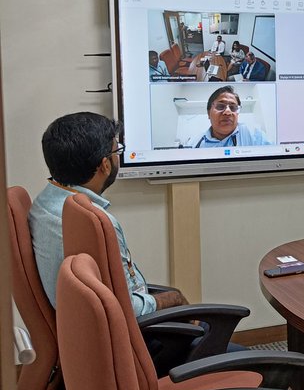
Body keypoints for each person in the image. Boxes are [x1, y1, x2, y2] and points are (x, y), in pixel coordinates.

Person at [28, 113, 188, 322]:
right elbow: (126, 308)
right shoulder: (94, 222)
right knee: (231, 348)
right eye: (117, 151)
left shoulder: (44, 203)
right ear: (104, 165)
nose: (118, 157)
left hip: (81, 331)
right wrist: (174, 299)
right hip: (140, 333)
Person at [193, 86, 272, 147]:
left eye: (233, 107)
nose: (228, 112)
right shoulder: (194, 143)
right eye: (220, 106)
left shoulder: (254, 135)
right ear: (208, 113)